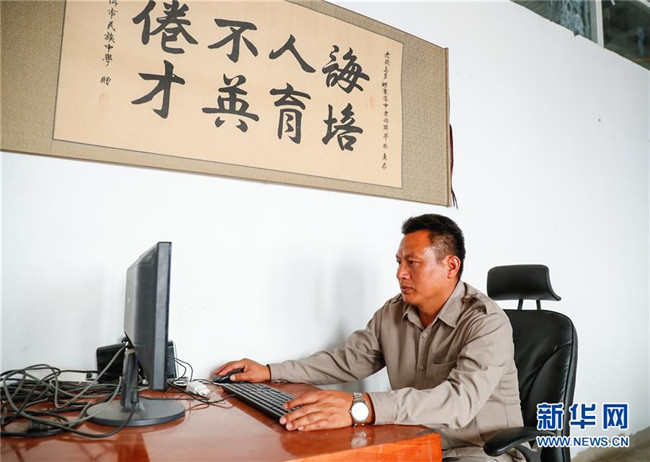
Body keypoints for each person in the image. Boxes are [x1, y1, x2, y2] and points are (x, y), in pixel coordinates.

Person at [215, 214, 524, 461]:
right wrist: (271, 371)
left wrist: (359, 406)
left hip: (479, 451)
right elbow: (348, 361)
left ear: (450, 266)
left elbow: (459, 402)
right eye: (399, 262)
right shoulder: (393, 312)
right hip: (414, 442)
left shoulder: (487, 322)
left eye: (412, 263)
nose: (400, 273)